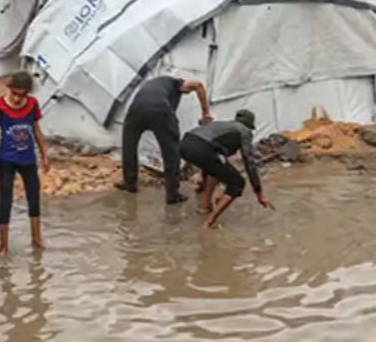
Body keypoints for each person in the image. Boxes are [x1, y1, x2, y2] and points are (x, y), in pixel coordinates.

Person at [0, 70, 50, 257]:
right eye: (15, 94)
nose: (18, 99)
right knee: (5, 201)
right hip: (7, 160)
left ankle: (36, 238)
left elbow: (36, 129)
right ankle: (3, 245)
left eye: (23, 95)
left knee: (34, 198)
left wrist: (45, 154)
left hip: (28, 159)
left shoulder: (33, 104)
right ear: (9, 89)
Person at [115, 75, 212, 204]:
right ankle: (172, 194)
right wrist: (205, 113)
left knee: (129, 146)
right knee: (171, 152)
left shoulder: (155, 84)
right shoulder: (177, 83)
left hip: (136, 110)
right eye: (186, 93)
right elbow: (198, 85)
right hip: (160, 111)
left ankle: (129, 183)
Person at [179, 109, 275, 229]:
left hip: (185, 144)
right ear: (249, 125)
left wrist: (202, 181)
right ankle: (209, 222)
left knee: (215, 169)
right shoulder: (244, 131)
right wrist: (259, 193)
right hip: (203, 149)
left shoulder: (222, 125)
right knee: (237, 182)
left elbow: (209, 160)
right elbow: (249, 162)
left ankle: (205, 207)